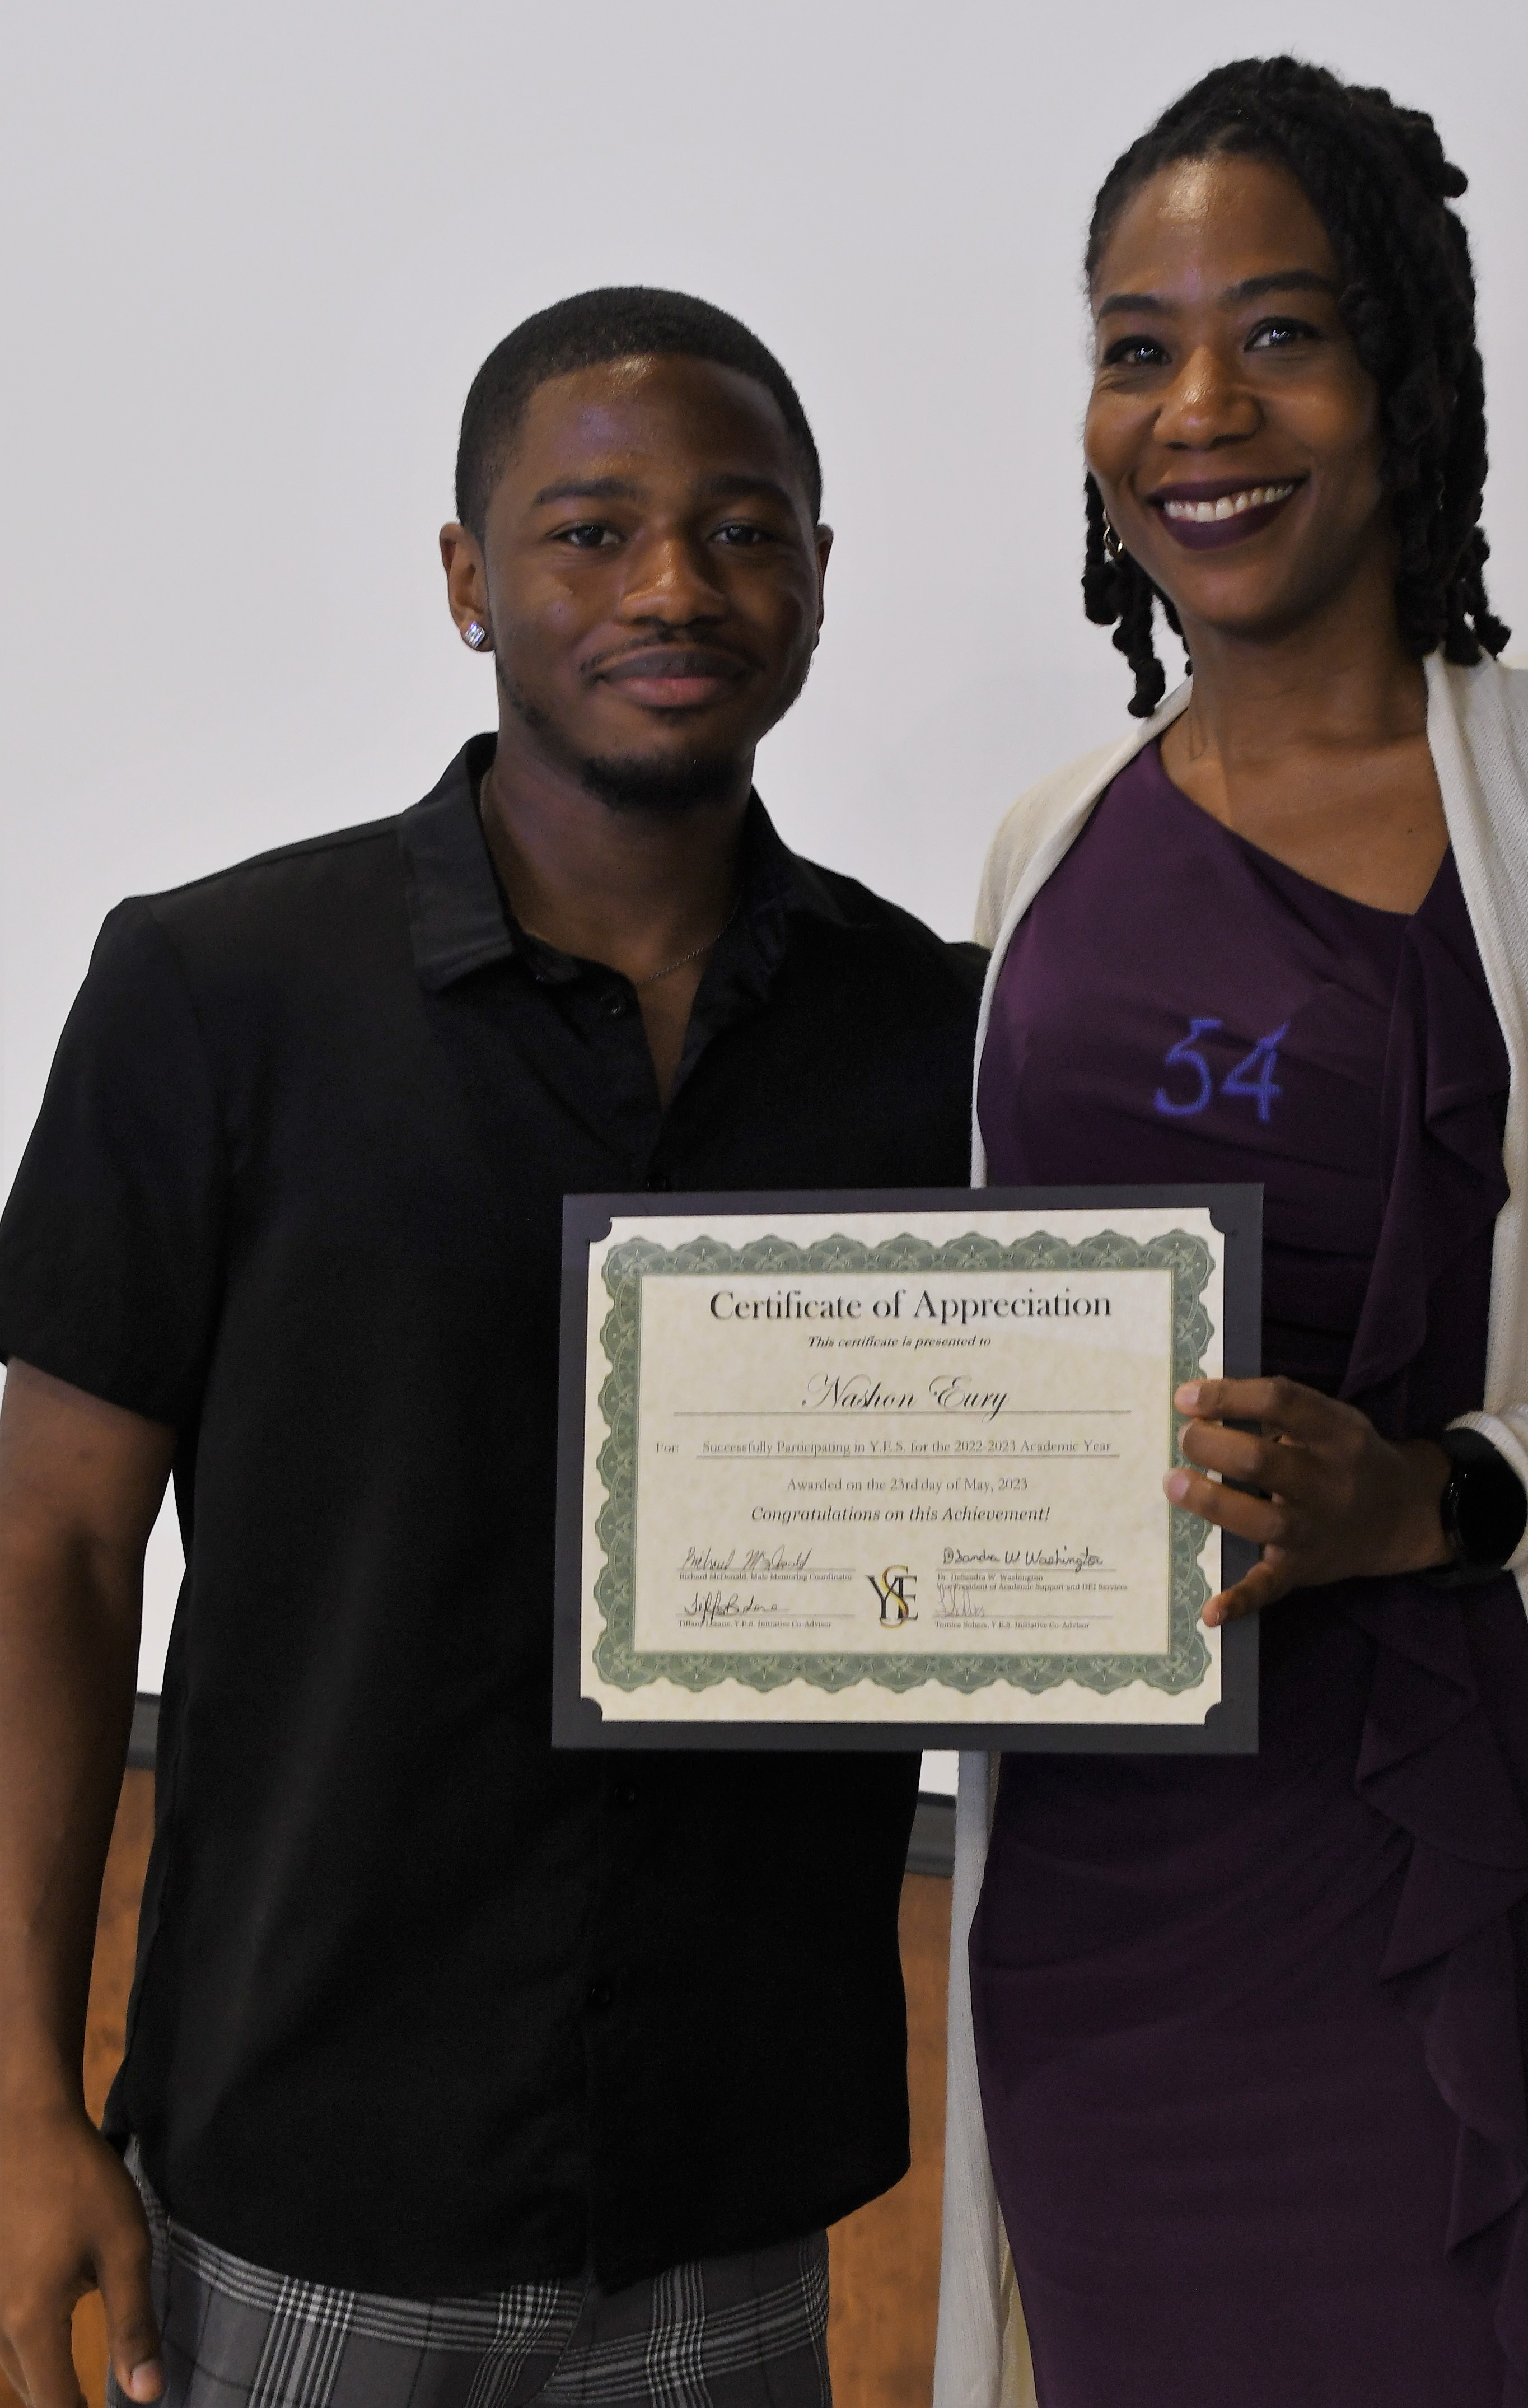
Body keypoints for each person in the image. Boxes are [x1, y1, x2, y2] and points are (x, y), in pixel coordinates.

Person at [932, 59, 1528, 2408]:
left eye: (1281, 333)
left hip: (1476, 1855)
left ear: (1405, 375)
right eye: (1135, 344)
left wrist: (1450, 1488)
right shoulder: (1044, 849)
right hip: (1105, 1922)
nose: (1197, 408)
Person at [0, 287, 982, 2408]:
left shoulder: (941, 1042)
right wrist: (15, 2105)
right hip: (302, 2197)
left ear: (821, 578)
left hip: (740, 2195)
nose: (674, 586)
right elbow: (54, 1558)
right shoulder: (216, 990)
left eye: (746, 531)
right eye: (590, 529)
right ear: (467, 579)